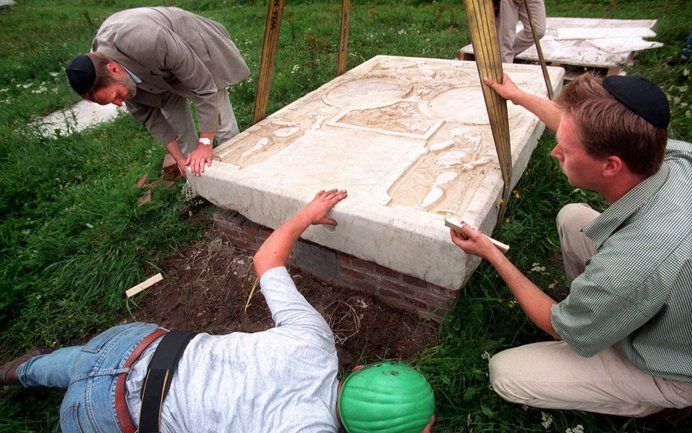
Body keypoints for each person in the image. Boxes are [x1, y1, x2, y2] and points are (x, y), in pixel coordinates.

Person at [0, 189, 436, 433]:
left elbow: (266, 261)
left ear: (360, 369)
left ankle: (18, 370)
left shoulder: (314, 338)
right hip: (105, 418)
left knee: (77, 361)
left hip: (130, 345)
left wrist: (304, 216)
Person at [449, 73, 691, 416]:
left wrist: (492, 254)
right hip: (664, 297)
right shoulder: (669, 155)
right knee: (573, 217)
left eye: (566, 149)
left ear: (610, 165)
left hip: (675, 363)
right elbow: (574, 130)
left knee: (505, 374)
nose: (554, 153)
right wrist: (517, 96)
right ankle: (598, 314)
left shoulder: (632, 265)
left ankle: (653, 393)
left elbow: (556, 323)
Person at [65, 7, 251, 177]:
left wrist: (205, 143)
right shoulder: (103, 71)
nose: (120, 104)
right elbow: (149, 117)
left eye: (116, 97)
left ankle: (240, 175)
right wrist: (178, 158)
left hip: (191, 46)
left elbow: (204, 87)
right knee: (182, 137)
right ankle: (202, 180)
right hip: (156, 72)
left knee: (223, 126)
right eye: (112, 102)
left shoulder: (148, 41)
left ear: (114, 69)